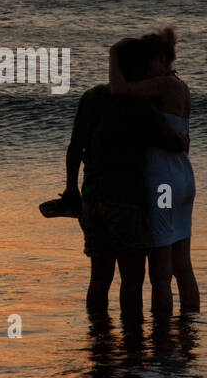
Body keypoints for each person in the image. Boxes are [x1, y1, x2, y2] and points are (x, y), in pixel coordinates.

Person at [64, 39, 189, 320]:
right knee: (131, 282)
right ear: (138, 68)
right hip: (126, 202)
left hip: (92, 198)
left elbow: (75, 147)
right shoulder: (139, 106)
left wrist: (72, 188)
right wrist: (183, 135)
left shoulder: (91, 97)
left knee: (99, 279)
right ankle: (132, 347)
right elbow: (174, 143)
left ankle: (100, 341)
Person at [108, 26, 200, 315]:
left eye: (147, 61)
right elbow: (183, 140)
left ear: (161, 59)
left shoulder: (163, 85)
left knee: (160, 273)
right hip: (183, 177)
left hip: (163, 183)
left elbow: (119, 90)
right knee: (182, 264)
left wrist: (112, 55)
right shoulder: (180, 86)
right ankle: (189, 328)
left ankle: (162, 339)